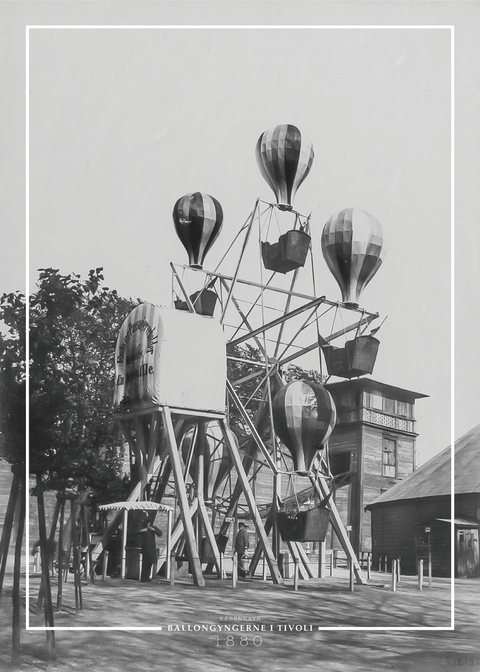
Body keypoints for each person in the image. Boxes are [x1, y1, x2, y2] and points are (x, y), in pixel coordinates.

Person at [139, 514, 162, 582]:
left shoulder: (152, 528)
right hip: (145, 548)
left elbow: (159, 533)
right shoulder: (142, 528)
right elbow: (135, 531)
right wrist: (143, 530)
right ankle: (143, 577)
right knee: (145, 563)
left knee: (150, 563)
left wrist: (153, 529)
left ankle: (147, 576)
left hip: (151, 548)